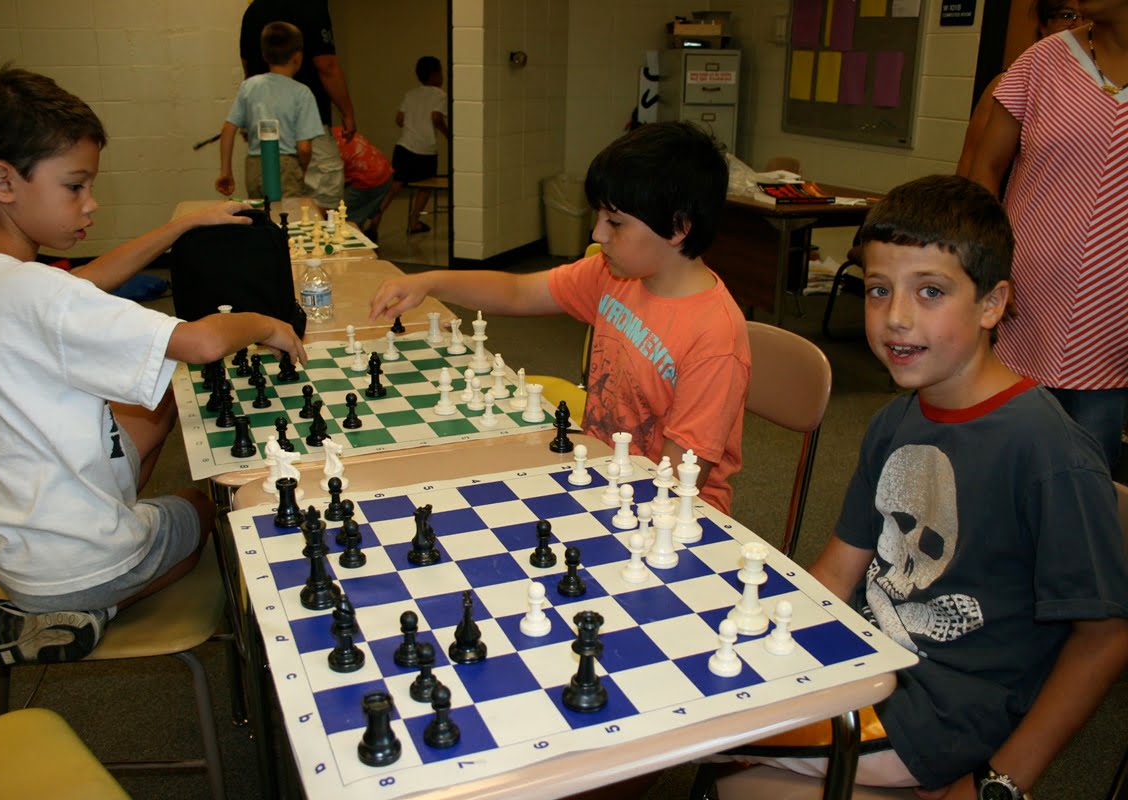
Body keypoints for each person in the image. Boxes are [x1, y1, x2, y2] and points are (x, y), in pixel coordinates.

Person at [723, 176, 1128, 796]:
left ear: (992, 304)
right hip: (870, 661)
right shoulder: (895, 421)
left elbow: (1104, 639)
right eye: (878, 290)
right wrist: (761, 640)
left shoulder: (1048, 452)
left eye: (930, 291)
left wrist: (996, 783)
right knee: (709, 705)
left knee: (696, 726)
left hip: (943, 714)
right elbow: (837, 572)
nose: (896, 318)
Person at [0, 68, 307, 665]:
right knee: (210, 502)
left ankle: (71, 586)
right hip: (82, 564)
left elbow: (81, 284)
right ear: (2, 181)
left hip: (12, 547)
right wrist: (265, 323)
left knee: (155, 399)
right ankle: (88, 611)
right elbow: (199, 344)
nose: (91, 203)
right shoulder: (41, 295)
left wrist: (183, 225)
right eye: (75, 187)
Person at [369, 121, 750, 514]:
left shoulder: (714, 337)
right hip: (600, 477)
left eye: (615, 222)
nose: (597, 233)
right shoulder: (614, 275)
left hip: (670, 515)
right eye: (599, 215)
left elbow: (675, 484)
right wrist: (431, 282)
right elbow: (518, 292)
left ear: (678, 227)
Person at [969, 1, 1128, 470]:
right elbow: (985, 168)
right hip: (1023, 300)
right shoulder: (1042, 61)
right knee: (996, 458)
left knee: (1084, 475)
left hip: (1112, 317)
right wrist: (989, 270)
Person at [239, 0, 356, 213]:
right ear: (297, 57)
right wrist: (347, 112)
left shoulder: (253, 10)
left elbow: (247, 68)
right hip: (308, 123)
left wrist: (248, 116)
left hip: (265, 127)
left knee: (272, 199)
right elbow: (326, 65)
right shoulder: (311, 6)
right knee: (324, 191)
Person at [955, 0, 1085, 179]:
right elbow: (971, 160)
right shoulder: (1013, 82)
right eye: (1066, 16)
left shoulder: (1107, 89)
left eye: (1087, 17)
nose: (1078, 25)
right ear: (1043, 27)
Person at [216, 21, 323, 201]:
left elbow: (228, 129)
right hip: (286, 164)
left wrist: (225, 172)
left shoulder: (249, 86)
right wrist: (303, 169)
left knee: (261, 214)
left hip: (254, 164)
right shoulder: (302, 93)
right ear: (298, 57)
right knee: (287, 215)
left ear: (265, 55)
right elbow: (304, 148)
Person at [375, 56, 449, 235]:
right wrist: (448, 134)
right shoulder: (440, 95)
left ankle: (376, 218)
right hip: (426, 150)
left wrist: (413, 126)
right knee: (426, 186)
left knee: (395, 186)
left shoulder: (411, 94)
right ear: (435, 74)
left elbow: (399, 119)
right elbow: (436, 117)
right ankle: (414, 222)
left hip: (404, 146)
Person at [330, 125, 393, 240]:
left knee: (343, 216)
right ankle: (368, 230)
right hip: (384, 169)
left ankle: (354, 241)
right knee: (355, 211)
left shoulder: (329, 149)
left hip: (370, 178)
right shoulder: (337, 130)